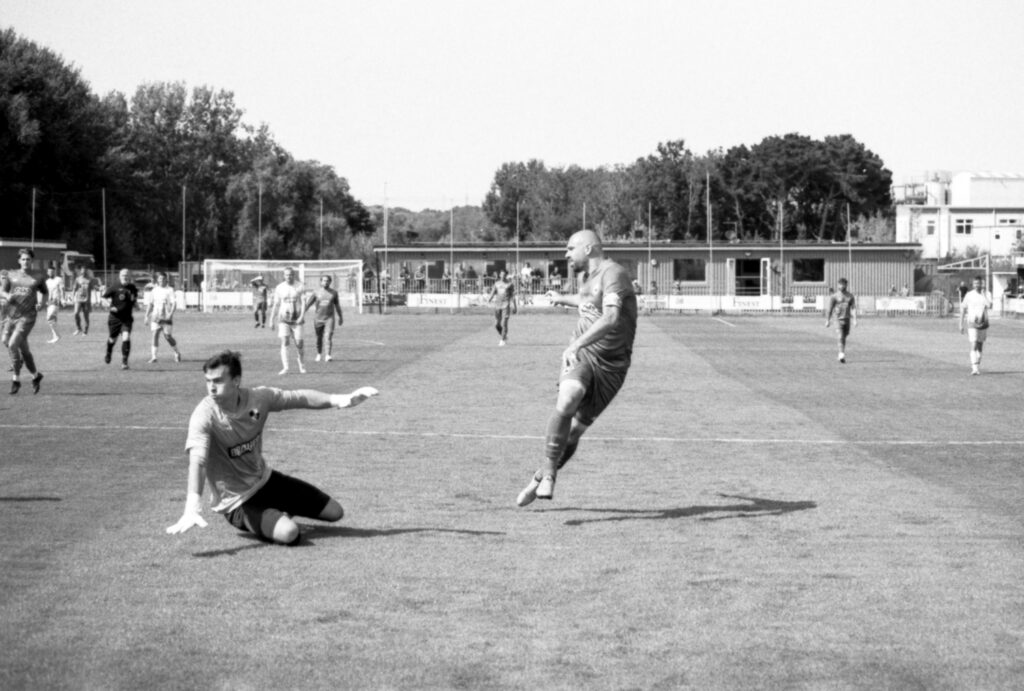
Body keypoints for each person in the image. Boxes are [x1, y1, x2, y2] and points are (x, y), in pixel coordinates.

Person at [165, 350, 379, 545]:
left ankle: (275, 514)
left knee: (335, 512)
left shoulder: (259, 399)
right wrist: (192, 505)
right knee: (289, 533)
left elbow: (298, 398)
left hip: (266, 481)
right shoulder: (204, 415)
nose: (211, 387)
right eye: (208, 381)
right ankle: (272, 519)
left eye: (218, 381)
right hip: (237, 502)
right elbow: (198, 461)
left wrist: (342, 400)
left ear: (236, 380)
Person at [517, 229, 638, 505]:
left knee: (575, 432)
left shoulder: (613, 274)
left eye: (570, 248)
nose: (566, 254)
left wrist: (574, 344)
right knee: (569, 396)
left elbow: (610, 318)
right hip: (584, 354)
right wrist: (561, 298)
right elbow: (585, 301)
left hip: (612, 367)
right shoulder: (587, 279)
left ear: (589, 248)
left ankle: (539, 476)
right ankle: (549, 474)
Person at [1, 249, 47, 395]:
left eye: (28, 259)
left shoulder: (38, 277)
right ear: (19, 261)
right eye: (23, 259)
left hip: (28, 317)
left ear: (31, 261)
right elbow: (2, 290)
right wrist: (7, 296)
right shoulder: (11, 275)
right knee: (23, 350)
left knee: (12, 344)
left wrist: (42, 304)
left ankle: (16, 380)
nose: (26, 261)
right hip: (11, 316)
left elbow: (45, 292)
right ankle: (35, 376)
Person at [270, 266, 307, 375]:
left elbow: (304, 303)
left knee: (299, 343)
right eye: (286, 275)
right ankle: (286, 367)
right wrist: (271, 319)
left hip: (297, 319)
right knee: (285, 341)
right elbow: (276, 304)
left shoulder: (300, 286)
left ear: (293, 275)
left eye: (290, 274)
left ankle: (302, 365)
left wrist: (301, 316)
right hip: (283, 319)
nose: (288, 276)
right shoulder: (279, 287)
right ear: (283, 275)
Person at [102, 268, 140, 370]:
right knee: (112, 339)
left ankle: (124, 362)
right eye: (123, 275)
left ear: (129, 277)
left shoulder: (132, 288)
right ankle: (109, 352)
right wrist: (109, 307)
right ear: (120, 276)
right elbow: (103, 298)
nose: (125, 277)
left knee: (126, 337)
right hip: (114, 318)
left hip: (127, 318)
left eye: (127, 275)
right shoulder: (114, 287)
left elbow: (134, 299)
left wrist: (136, 305)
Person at [303, 274, 344, 362]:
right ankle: (319, 354)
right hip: (318, 318)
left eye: (327, 281)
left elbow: (337, 306)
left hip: (329, 318)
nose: (325, 282)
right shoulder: (316, 292)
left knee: (328, 336)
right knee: (319, 337)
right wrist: (302, 315)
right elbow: (308, 304)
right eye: (324, 280)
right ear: (321, 282)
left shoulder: (334, 293)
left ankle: (328, 355)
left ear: (330, 282)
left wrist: (340, 317)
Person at [144, 271, 181, 363]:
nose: (162, 280)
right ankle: (154, 357)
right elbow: (151, 304)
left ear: (166, 279)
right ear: (157, 280)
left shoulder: (170, 290)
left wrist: (170, 314)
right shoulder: (154, 290)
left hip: (166, 316)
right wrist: (146, 315)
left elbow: (174, 303)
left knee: (167, 336)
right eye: (160, 278)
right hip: (156, 316)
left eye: (163, 278)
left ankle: (177, 352)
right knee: (155, 334)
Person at [959, 275, 992, 376]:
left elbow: (989, 305)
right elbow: (963, 310)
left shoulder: (987, 294)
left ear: (983, 284)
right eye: (976, 283)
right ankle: (974, 368)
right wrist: (961, 324)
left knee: (980, 345)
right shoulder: (969, 295)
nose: (978, 285)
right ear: (973, 284)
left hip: (983, 323)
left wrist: (984, 294)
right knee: (973, 344)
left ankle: (977, 364)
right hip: (972, 323)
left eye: (980, 283)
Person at [825, 278, 856, 364]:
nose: (841, 286)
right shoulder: (834, 296)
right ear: (838, 285)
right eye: (840, 284)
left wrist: (855, 320)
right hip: (837, 319)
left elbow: (853, 308)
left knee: (844, 336)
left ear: (846, 285)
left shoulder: (850, 296)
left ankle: (840, 353)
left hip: (847, 319)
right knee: (840, 336)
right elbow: (830, 309)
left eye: (843, 284)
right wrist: (828, 320)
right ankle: (841, 354)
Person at [486, 269, 518, 346]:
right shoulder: (496, 284)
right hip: (497, 305)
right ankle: (504, 335)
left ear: (506, 275)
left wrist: (515, 306)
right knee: (497, 325)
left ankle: (502, 340)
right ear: (499, 275)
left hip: (506, 305)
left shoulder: (510, 284)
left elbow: (513, 296)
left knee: (504, 323)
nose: (503, 276)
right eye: (501, 274)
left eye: (504, 275)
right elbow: (492, 293)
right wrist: (488, 300)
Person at [71, 266, 97, 335]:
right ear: (81, 272)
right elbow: (74, 289)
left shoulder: (90, 280)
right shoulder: (77, 279)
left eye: (84, 271)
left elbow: (94, 289)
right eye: (82, 271)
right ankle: (79, 328)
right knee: (76, 313)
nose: (83, 272)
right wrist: (72, 297)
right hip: (78, 299)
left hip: (86, 301)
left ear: (86, 272)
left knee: (86, 317)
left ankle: (85, 331)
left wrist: (96, 300)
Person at [43, 266, 64, 344]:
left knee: (49, 318)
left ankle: (57, 336)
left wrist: (63, 299)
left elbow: (62, 289)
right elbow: (47, 292)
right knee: (52, 320)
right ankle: (54, 336)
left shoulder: (58, 279)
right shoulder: (47, 281)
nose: (50, 273)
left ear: (54, 272)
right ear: (47, 272)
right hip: (49, 302)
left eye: (52, 271)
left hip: (56, 301)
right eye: (49, 271)